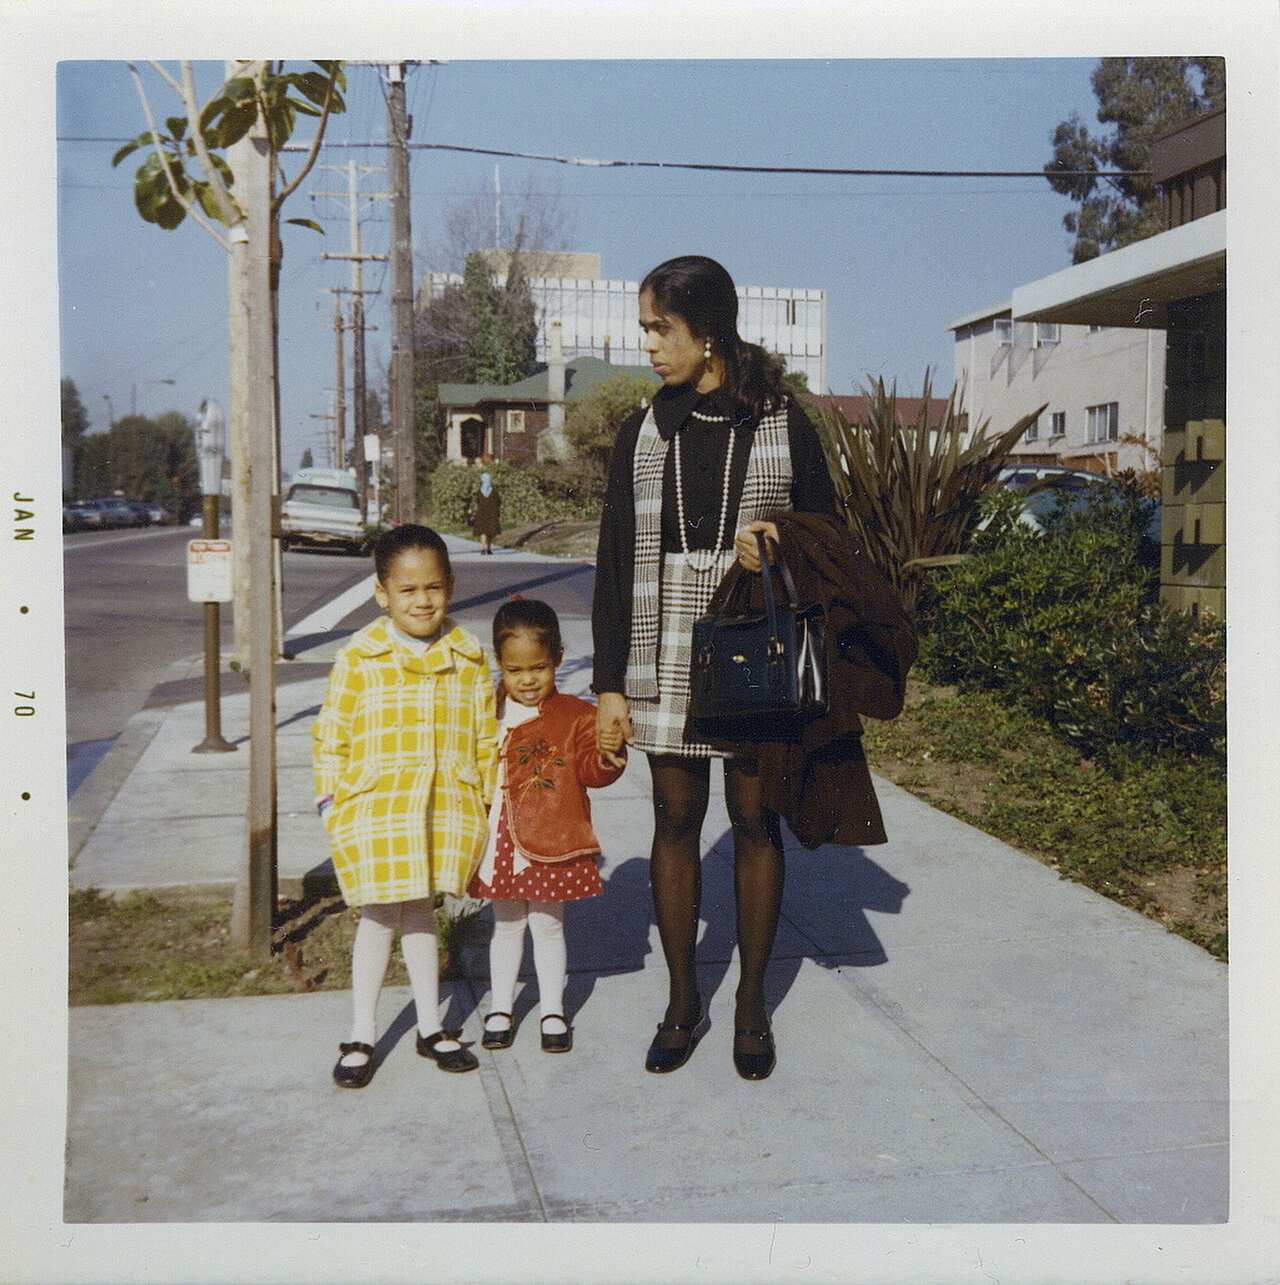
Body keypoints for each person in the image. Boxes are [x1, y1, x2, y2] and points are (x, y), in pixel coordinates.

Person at [591, 254, 838, 1081]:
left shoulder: (781, 421)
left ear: (709, 330)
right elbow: (615, 559)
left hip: (751, 640)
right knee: (672, 818)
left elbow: (830, 535)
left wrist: (775, 541)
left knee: (756, 817)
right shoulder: (643, 429)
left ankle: (751, 1004)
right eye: (646, 331)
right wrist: (609, 687)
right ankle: (682, 999)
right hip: (661, 640)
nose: (650, 347)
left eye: (662, 330)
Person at [313, 524, 498, 1088]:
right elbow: (332, 732)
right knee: (377, 917)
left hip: (442, 806)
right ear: (382, 593)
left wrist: (486, 798)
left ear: (450, 586)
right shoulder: (360, 656)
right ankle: (362, 1032)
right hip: (377, 808)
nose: (422, 600)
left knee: (422, 914)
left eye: (434, 588)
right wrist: (330, 799)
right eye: (408, 590)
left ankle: (429, 1025)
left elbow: (485, 734)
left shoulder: (468, 657)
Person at [467, 598, 626, 1053]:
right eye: (515, 671)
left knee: (548, 924)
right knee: (507, 924)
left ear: (557, 658)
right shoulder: (487, 710)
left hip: (551, 839)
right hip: (498, 837)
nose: (528, 680)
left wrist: (608, 752)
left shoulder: (576, 715)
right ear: (500, 665)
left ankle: (553, 1008)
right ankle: (501, 1006)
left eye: (538, 667)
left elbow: (593, 772)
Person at [471, 469, 501, 555]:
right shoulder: (494, 491)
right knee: (490, 532)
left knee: (483, 531)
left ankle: (484, 548)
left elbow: (477, 502)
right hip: (492, 513)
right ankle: (488, 548)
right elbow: (499, 501)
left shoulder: (479, 491)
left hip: (481, 513)